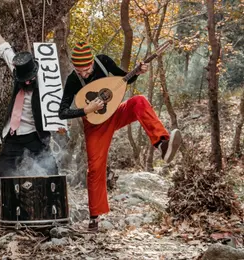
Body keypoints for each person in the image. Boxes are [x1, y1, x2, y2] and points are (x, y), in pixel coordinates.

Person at [59, 41, 182, 232]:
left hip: (115, 112)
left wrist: (138, 72)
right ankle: (94, 218)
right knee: (95, 169)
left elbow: (124, 79)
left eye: (86, 69)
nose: (83, 73)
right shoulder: (73, 80)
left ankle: (162, 144)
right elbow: (62, 112)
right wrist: (86, 109)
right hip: (94, 125)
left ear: (92, 61)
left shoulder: (103, 62)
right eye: (79, 70)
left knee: (139, 101)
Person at [0, 18, 58, 177]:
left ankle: (54, 199)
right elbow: (6, 51)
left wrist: (60, 124)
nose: (26, 83)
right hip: (13, 135)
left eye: (29, 80)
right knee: (4, 172)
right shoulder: (19, 70)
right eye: (23, 80)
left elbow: (56, 104)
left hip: (35, 134)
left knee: (51, 170)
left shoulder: (46, 84)